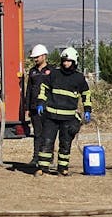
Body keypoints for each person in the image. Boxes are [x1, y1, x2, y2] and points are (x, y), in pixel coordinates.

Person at [35, 47, 92, 176]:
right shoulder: (54, 74)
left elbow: (86, 94)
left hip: (68, 117)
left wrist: (87, 110)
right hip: (51, 116)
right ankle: (42, 168)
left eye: (69, 61)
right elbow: (44, 89)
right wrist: (40, 103)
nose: (66, 63)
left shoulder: (79, 78)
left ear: (74, 62)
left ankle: (62, 169)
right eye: (64, 61)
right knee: (46, 142)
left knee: (65, 144)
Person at [23, 44, 52, 167]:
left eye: (37, 57)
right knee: (37, 134)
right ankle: (36, 158)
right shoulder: (32, 72)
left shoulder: (52, 71)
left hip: (48, 107)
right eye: (34, 57)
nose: (35, 59)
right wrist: (27, 108)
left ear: (44, 56)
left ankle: (48, 157)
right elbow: (29, 90)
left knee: (48, 134)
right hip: (35, 108)